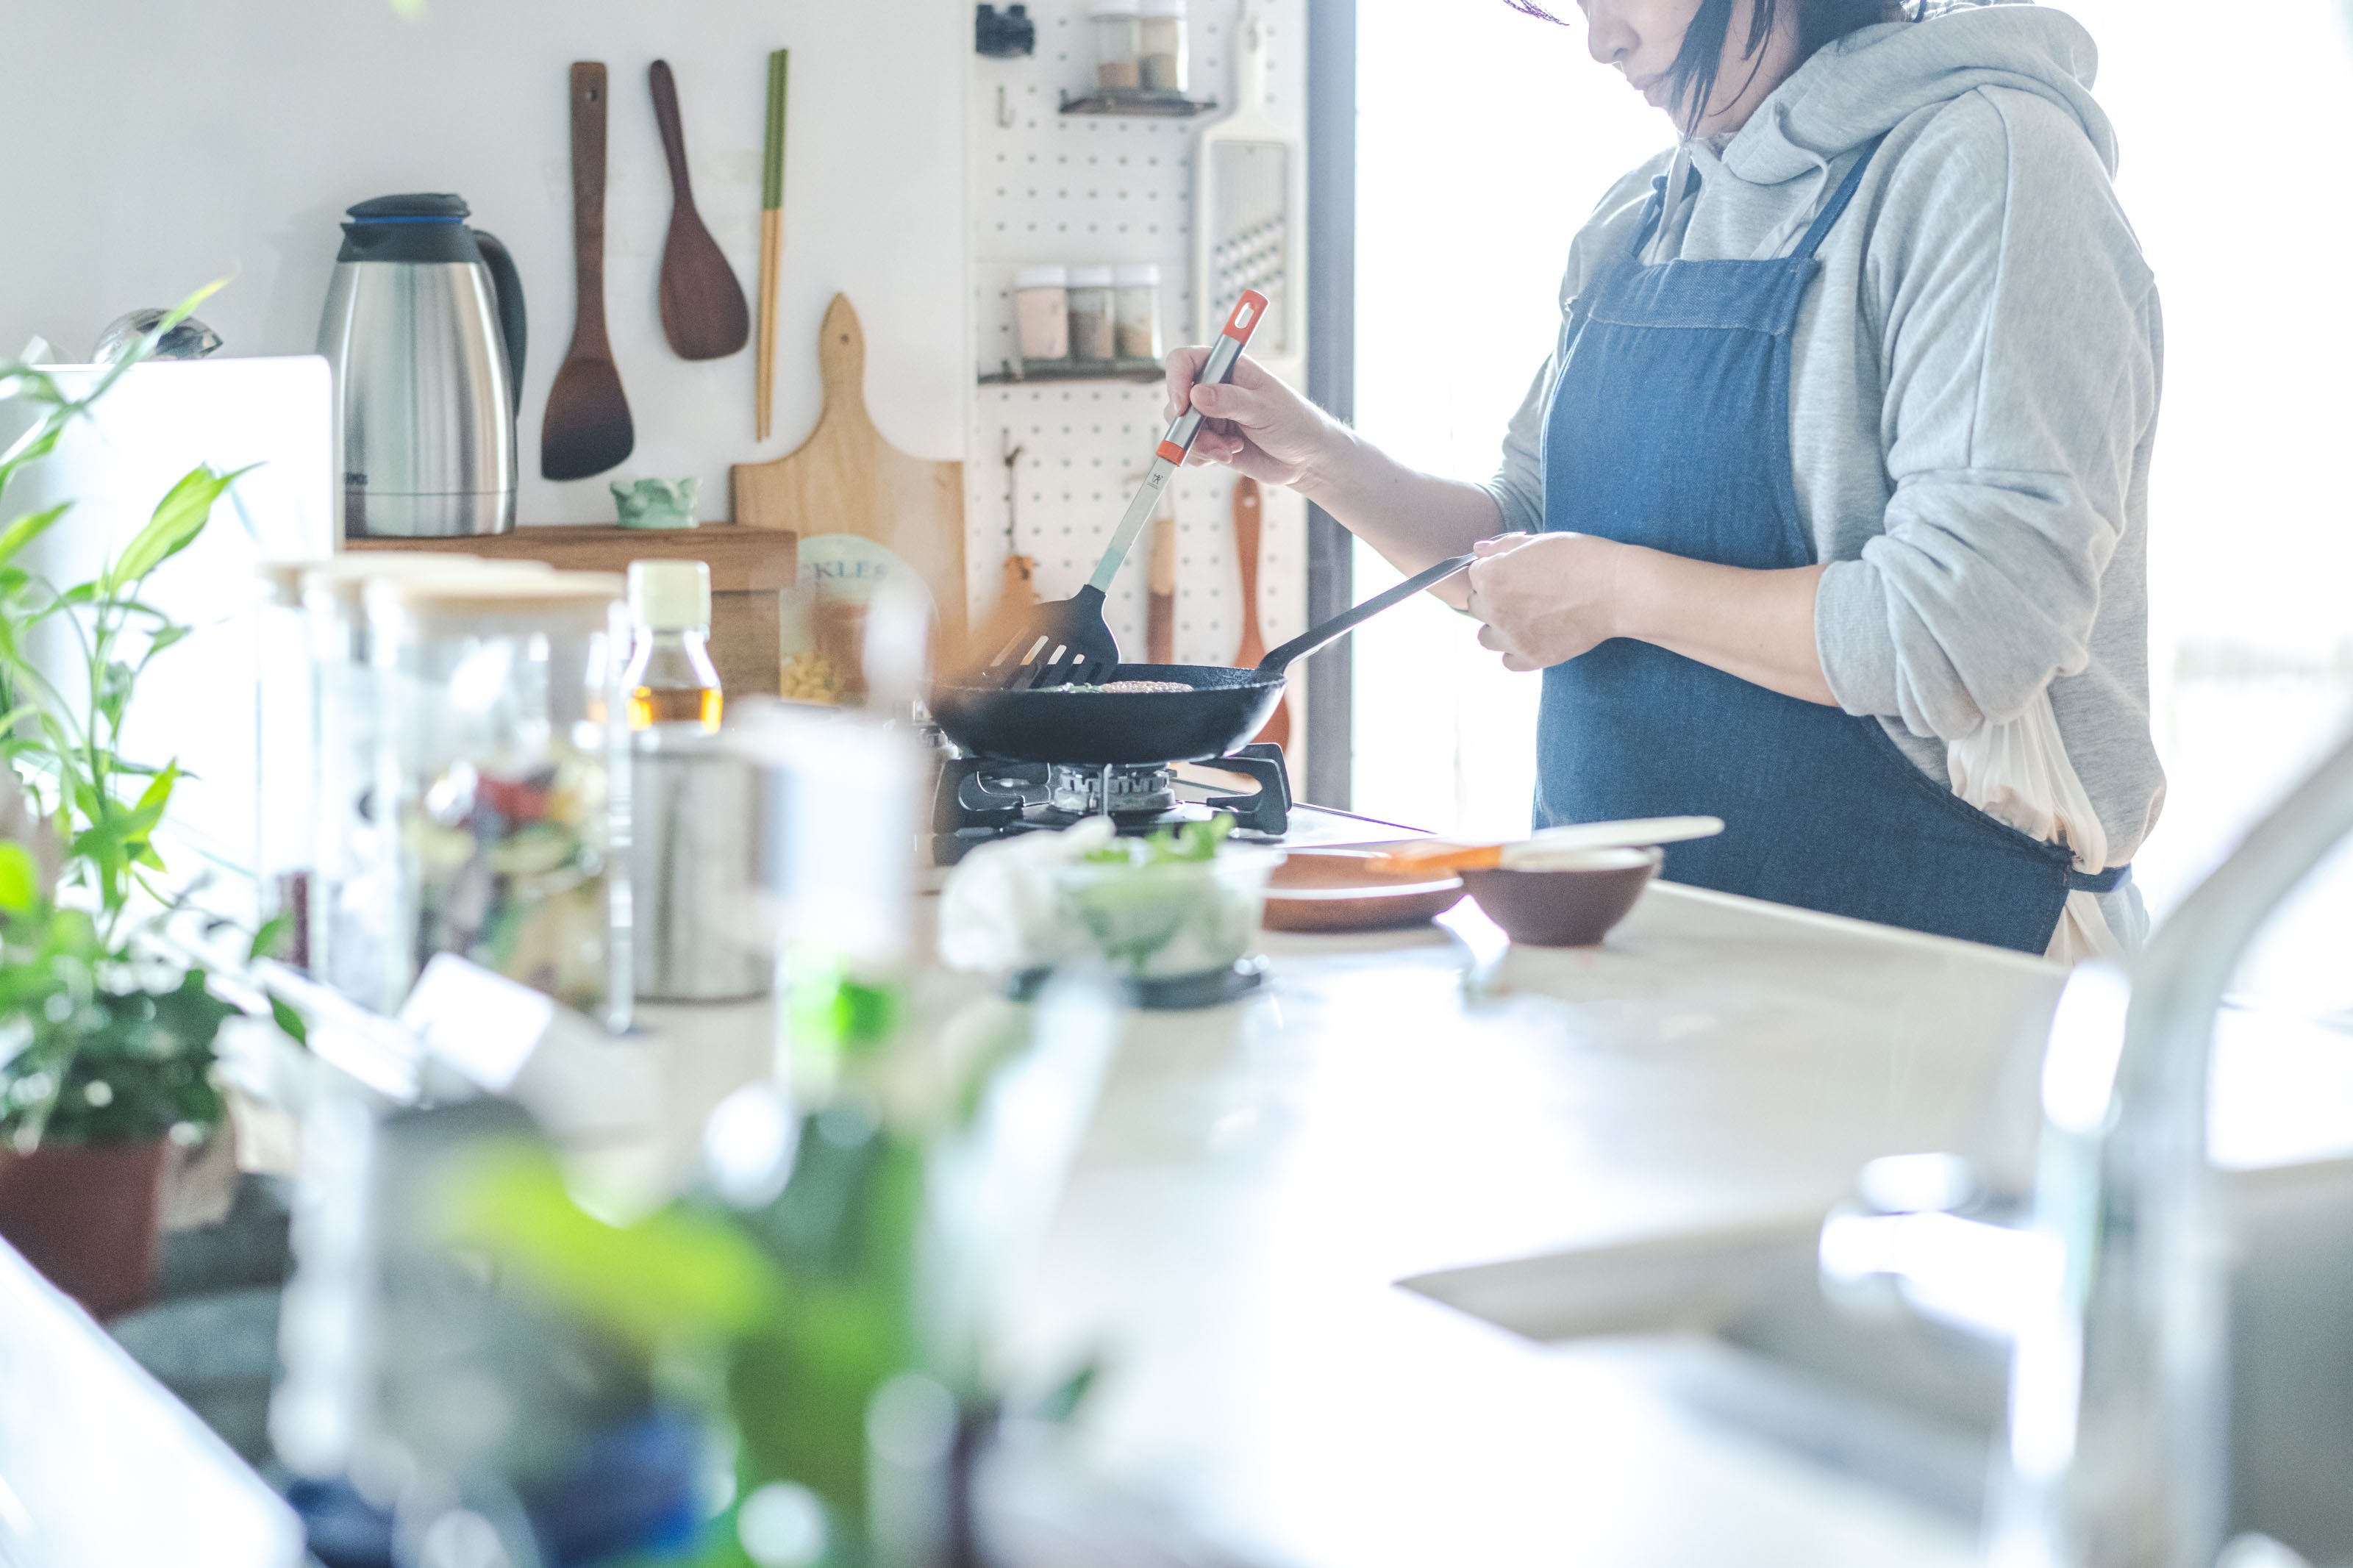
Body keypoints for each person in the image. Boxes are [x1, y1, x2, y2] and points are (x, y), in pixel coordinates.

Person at [1163, 0, 2163, 957]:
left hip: (1942, 977)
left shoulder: (1992, 166)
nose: (1600, 37)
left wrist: (1622, 592)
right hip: (1636, 970)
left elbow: (1963, 633)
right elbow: (1521, 542)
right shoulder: (1642, 212)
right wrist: (1317, 458)